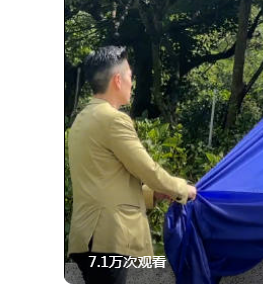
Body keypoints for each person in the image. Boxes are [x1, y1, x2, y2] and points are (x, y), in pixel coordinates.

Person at [68, 46, 197, 284]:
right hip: (112, 239)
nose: (132, 81)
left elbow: (104, 180)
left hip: (87, 238)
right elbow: (148, 170)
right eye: (130, 75)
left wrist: (153, 195)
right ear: (117, 80)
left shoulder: (81, 120)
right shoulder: (113, 119)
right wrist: (181, 189)